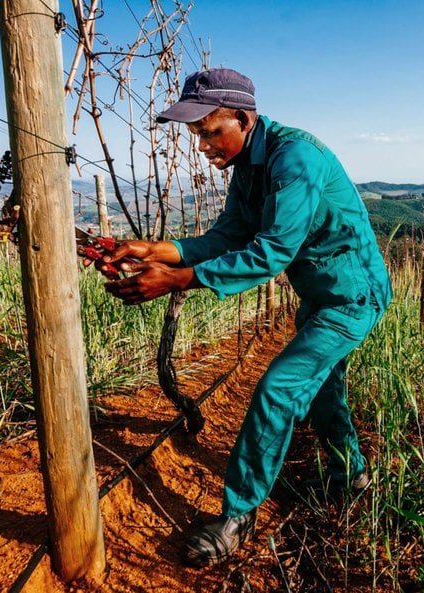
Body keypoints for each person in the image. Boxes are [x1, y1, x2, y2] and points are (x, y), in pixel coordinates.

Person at [97, 67, 392, 567]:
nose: (203, 146)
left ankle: (238, 514)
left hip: (351, 297)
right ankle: (352, 476)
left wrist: (177, 279)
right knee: (320, 391)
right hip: (321, 297)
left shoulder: (294, 157)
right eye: (196, 134)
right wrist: (153, 250)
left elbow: (272, 252)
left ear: (243, 117)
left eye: (211, 131)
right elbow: (226, 236)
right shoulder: (247, 168)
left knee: (279, 386)